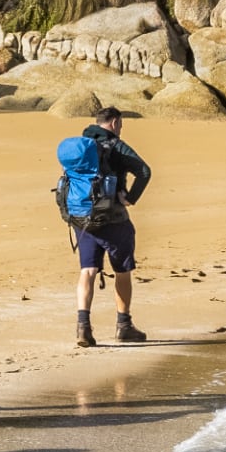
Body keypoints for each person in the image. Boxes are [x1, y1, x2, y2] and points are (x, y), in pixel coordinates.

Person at [69, 106, 153, 347]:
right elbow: (144, 171)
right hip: (113, 218)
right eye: (121, 125)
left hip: (82, 217)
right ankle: (124, 325)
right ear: (115, 123)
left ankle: (83, 327)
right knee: (122, 270)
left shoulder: (81, 144)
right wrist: (130, 197)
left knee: (88, 270)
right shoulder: (115, 145)